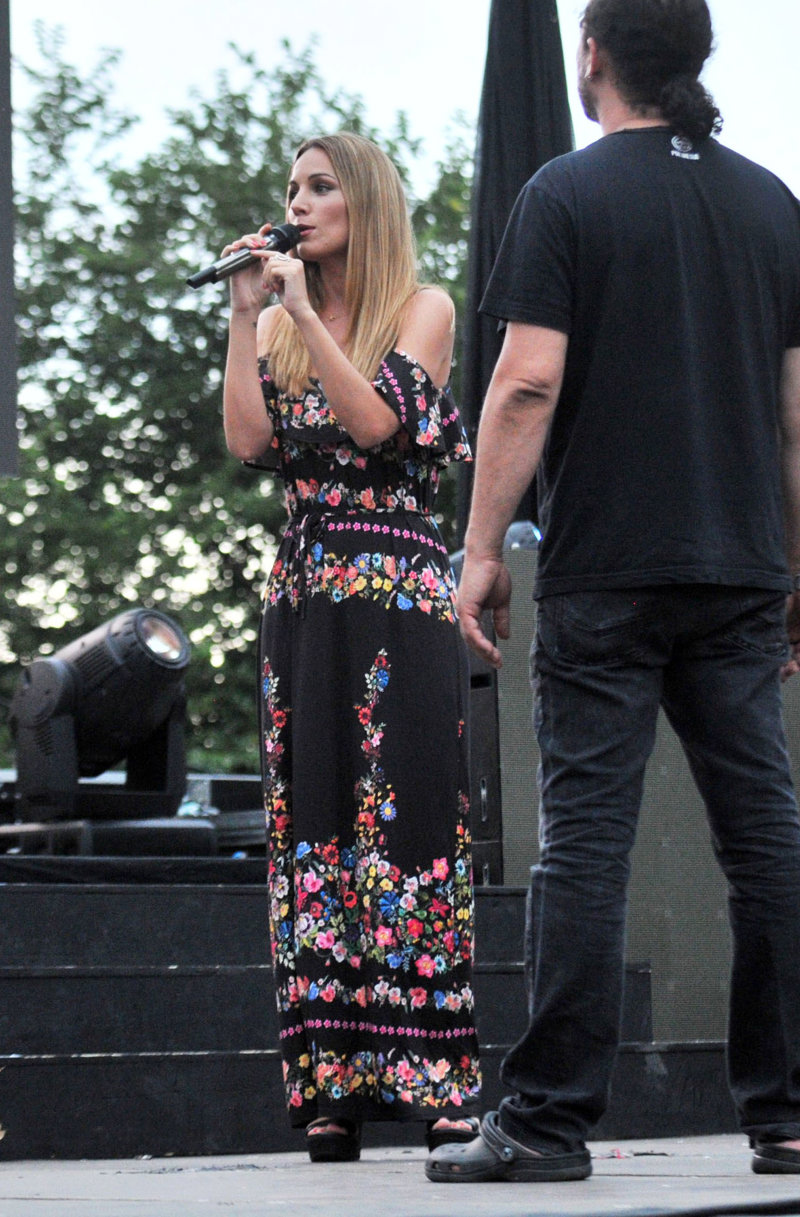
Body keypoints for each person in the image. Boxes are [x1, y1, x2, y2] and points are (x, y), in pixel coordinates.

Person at [425, 0, 800, 1186]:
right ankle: (787, 1114)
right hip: (741, 565)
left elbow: (523, 381)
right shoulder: (770, 205)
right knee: (766, 836)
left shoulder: (564, 195)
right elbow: (795, 414)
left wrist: (479, 546)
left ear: (590, 56)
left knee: (584, 840)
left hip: (606, 567)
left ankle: (545, 1122)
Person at [222, 131, 481, 1162]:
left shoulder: (422, 307)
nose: (297, 204)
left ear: (362, 202)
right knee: (315, 822)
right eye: (292, 187)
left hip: (398, 593)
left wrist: (296, 314)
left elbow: (376, 425)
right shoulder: (277, 320)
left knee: (409, 817)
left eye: (319, 187)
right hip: (306, 595)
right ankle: (330, 1084)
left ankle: (436, 1078)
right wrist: (243, 314)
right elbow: (250, 442)